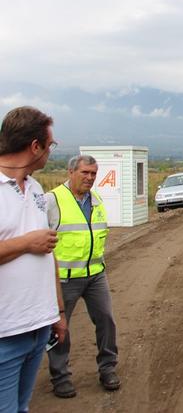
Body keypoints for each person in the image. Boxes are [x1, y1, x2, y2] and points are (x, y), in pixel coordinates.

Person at [0, 106, 68, 413]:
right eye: (50, 145)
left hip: (38, 326)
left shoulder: (38, 188)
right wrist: (28, 242)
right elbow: (37, 244)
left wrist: (57, 311)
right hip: (6, 333)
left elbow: (47, 254)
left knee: (22, 407)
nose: (50, 152)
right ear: (34, 146)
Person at [45, 155, 120, 398]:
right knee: (60, 328)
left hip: (96, 275)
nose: (89, 178)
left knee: (106, 320)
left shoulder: (96, 200)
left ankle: (107, 368)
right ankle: (60, 376)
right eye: (85, 172)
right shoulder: (52, 200)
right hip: (64, 279)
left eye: (93, 174)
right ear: (70, 172)